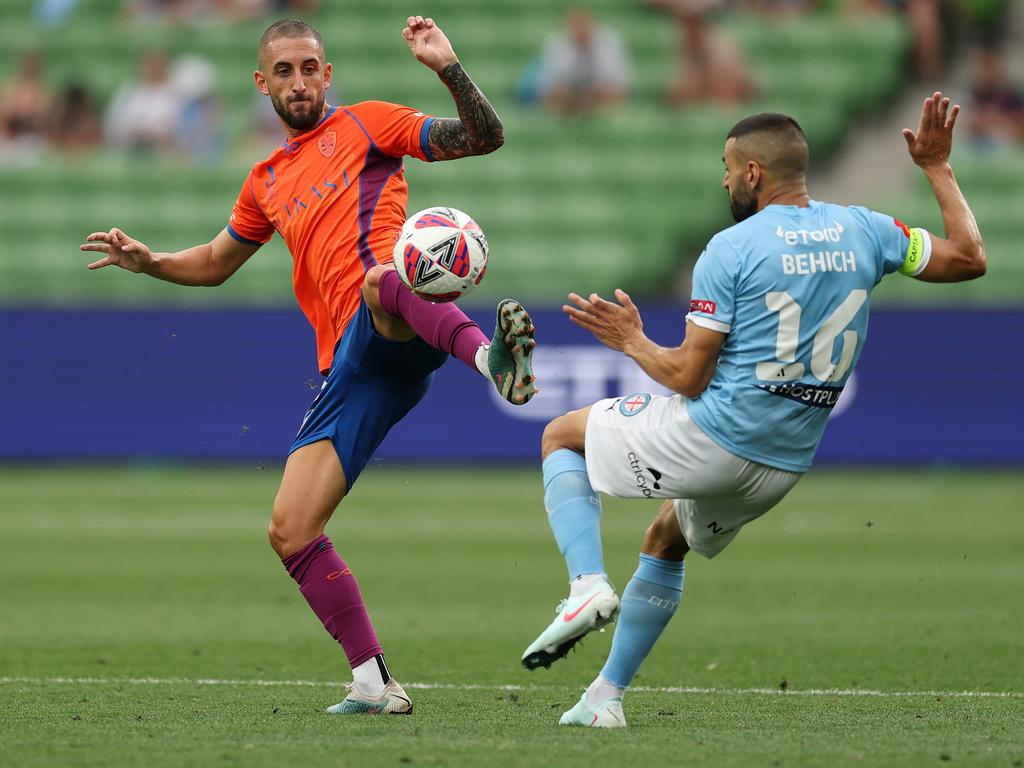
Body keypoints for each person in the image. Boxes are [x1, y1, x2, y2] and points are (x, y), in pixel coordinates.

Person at [80, 16, 536, 716]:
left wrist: (447, 66)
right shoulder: (264, 180)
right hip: (349, 371)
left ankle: (490, 358)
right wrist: (151, 263)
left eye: (310, 67)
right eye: (284, 71)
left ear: (327, 73)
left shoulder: (371, 124)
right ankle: (373, 683)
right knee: (290, 530)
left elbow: (486, 137)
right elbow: (213, 263)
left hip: (392, 318)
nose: (299, 81)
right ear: (261, 83)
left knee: (380, 281)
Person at [521, 92, 985, 727]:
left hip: (718, 436)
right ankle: (605, 700)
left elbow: (687, 376)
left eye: (727, 166)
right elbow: (969, 258)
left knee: (560, 436)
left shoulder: (731, 248)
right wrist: (935, 166)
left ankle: (585, 589)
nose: (723, 178)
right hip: (783, 466)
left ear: (752, 174)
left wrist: (632, 340)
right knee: (666, 538)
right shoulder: (868, 230)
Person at [531, 7, 632, 116]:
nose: (581, 32)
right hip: (570, 93)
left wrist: (590, 52)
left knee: (612, 92)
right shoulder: (556, 43)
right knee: (555, 94)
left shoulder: (610, 41)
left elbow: (618, 79)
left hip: (599, 92)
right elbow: (550, 80)